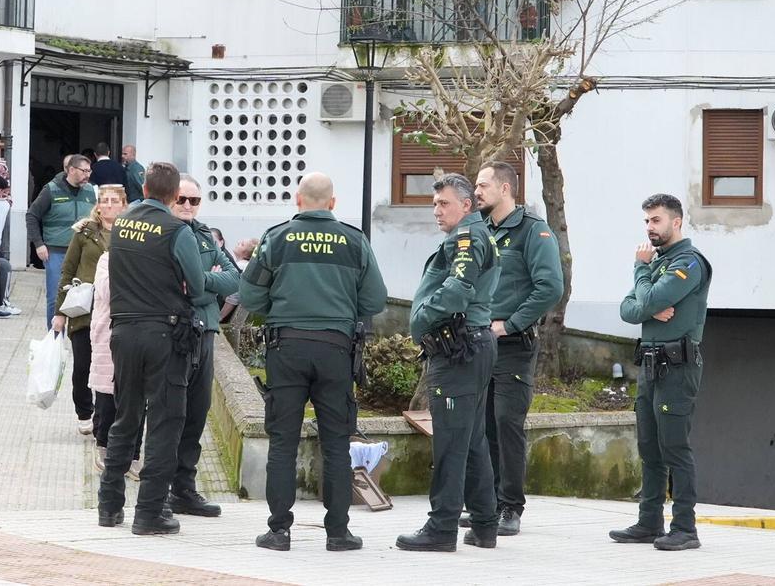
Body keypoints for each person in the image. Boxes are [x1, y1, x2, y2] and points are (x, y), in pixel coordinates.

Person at [240, 172, 386, 553]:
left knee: (283, 441)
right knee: (337, 442)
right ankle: (338, 532)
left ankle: (279, 531)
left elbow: (250, 295)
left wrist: (283, 309)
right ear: (333, 203)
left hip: (285, 348)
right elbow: (374, 301)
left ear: (297, 199)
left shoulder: (277, 237)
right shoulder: (354, 241)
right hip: (337, 351)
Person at [97, 162, 206, 536]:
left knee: (125, 417)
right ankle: (149, 513)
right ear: (175, 195)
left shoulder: (122, 224)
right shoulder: (178, 230)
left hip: (124, 332)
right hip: (164, 334)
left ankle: (109, 505)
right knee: (164, 422)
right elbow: (198, 285)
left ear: (143, 189)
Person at [396, 173, 500, 553]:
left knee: (452, 444)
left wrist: (420, 319)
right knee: (472, 441)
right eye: (434, 204)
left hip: (460, 349)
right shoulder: (471, 234)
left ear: (467, 205)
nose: (436, 210)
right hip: (470, 346)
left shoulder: (467, 237)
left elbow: (457, 290)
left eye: (444, 204)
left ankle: (441, 528)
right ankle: (485, 525)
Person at [612, 194, 712, 552]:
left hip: (678, 367)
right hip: (651, 365)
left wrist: (642, 279)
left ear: (676, 222)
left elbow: (648, 300)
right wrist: (648, 306)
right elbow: (628, 308)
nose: (649, 227)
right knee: (649, 448)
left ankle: (685, 528)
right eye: (647, 221)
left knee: (674, 448)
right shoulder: (659, 263)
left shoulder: (689, 262)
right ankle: (649, 521)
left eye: (656, 220)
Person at [468, 161, 563, 535]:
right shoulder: (479, 231)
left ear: (505, 189)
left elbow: (550, 288)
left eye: (483, 185)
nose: (476, 191)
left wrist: (511, 324)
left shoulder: (533, 232)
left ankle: (511, 507)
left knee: (507, 424)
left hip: (512, 347)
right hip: (479, 345)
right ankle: (487, 505)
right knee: (484, 424)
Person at [167, 174, 240, 518]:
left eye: (193, 201)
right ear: (170, 198)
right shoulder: (165, 232)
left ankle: (185, 489)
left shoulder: (205, 234)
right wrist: (205, 280)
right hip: (174, 331)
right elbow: (184, 287)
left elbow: (234, 278)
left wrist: (201, 277)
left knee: (197, 413)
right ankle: (162, 488)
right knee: (171, 412)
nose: (187, 206)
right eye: (181, 199)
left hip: (206, 330)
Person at [53, 184, 128, 437]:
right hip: (85, 307)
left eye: (113, 201)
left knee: (108, 367)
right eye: (104, 200)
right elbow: (68, 270)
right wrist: (59, 312)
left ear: (123, 205)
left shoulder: (128, 233)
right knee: (83, 365)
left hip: (114, 310)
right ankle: (84, 411)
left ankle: (105, 417)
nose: (108, 205)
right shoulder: (85, 232)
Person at [89, 250, 145, 479]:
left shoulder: (148, 257)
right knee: (107, 396)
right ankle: (104, 447)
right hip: (109, 334)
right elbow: (107, 290)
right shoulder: (106, 259)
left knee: (138, 397)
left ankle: (133, 454)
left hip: (140, 334)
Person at [25, 155, 95, 323]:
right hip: (56, 251)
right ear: (71, 170)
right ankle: (55, 339)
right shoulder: (51, 189)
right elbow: (32, 216)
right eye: (84, 171)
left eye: (89, 171)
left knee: (85, 296)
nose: (88, 175)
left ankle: (78, 338)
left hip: (83, 251)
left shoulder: (90, 190)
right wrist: (39, 244)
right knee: (56, 298)